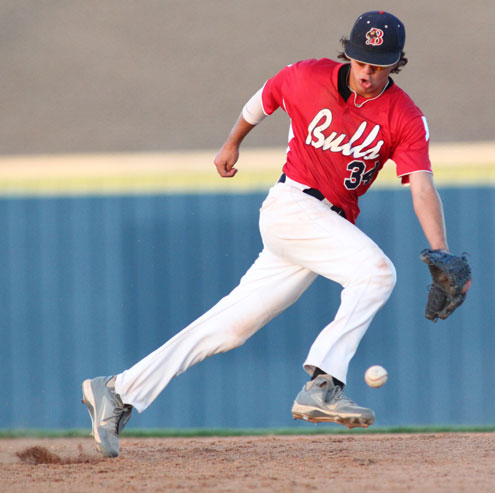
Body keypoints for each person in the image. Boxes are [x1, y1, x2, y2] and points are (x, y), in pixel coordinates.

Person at [82, 10, 451, 457]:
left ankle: (118, 391)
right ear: (348, 54)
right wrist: (232, 141)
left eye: (379, 64)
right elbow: (262, 100)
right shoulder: (305, 76)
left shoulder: (405, 116)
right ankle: (324, 384)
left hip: (321, 227)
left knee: (230, 328)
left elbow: (422, 186)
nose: (368, 72)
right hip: (292, 206)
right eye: (361, 61)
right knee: (377, 273)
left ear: (396, 63)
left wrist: (442, 252)